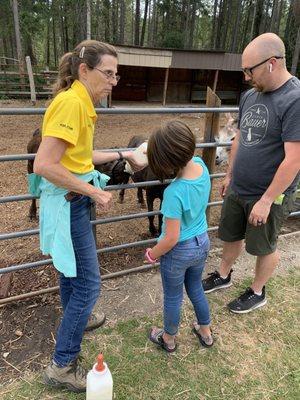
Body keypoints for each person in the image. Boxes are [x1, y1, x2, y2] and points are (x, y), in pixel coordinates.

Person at [32, 40, 144, 392]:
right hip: (70, 202)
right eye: (108, 73)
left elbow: (80, 155)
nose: (114, 81)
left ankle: (77, 319)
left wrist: (125, 152)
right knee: (89, 284)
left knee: (71, 272)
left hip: (72, 201)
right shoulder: (71, 105)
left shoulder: (80, 102)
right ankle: (62, 366)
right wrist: (95, 191)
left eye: (116, 74)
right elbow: (45, 164)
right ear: (84, 70)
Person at [202, 33, 300, 314]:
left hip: (268, 193)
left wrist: (268, 200)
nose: (246, 77)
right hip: (239, 185)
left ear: (271, 63)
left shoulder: (295, 99)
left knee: (264, 244)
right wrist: (229, 175)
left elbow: (294, 160)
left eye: (250, 70)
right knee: (231, 234)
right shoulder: (250, 96)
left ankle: (258, 291)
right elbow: (239, 139)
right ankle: (223, 274)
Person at [144, 120, 213, 353]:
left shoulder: (173, 192)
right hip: (202, 242)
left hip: (179, 251)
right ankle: (205, 331)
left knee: (173, 297)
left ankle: (169, 338)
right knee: (195, 288)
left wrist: (153, 253)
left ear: (165, 162)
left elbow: (171, 237)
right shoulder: (202, 166)